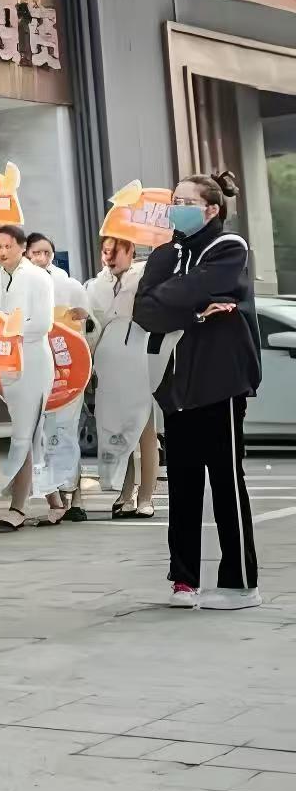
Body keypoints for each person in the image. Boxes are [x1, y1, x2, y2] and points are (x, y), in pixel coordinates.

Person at [132, 172, 262, 610]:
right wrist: (198, 315)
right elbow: (145, 309)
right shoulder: (164, 254)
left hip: (220, 380)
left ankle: (241, 584)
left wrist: (179, 300)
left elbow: (192, 288)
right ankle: (184, 581)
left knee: (226, 481)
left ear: (211, 209)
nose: (177, 208)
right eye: (175, 200)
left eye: (186, 202)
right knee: (184, 484)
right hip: (175, 383)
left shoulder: (229, 247)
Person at [0, 224, 56, 531]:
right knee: (28, 432)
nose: (3, 252)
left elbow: (43, 323)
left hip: (33, 360)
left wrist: (9, 329)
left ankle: (19, 506)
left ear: (22, 247)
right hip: (6, 361)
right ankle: (56, 501)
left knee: (26, 431)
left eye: (8, 246)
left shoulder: (38, 278)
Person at [86, 238, 156, 519]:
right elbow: (91, 328)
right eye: (106, 251)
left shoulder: (146, 277)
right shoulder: (95, 286)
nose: (111, 257)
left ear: (131, 252)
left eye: (117, 251)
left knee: (144, 429)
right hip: (108, 362)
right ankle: (125, 493)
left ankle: (146, 496)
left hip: (139, 358)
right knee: (115, 428)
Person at [27, 232, 90, 520]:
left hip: (69, 369)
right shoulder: (22, 286)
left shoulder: (70, 286)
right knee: (42, 434)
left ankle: (75, 496)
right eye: (35, 252)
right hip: (38, 368)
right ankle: (55, 498)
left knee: (67, 431)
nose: (41, 258)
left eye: (46, 252)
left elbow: (87, 328)